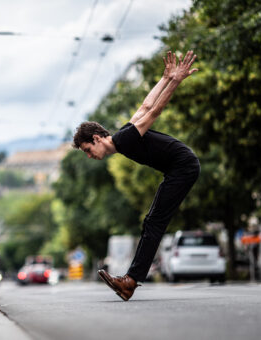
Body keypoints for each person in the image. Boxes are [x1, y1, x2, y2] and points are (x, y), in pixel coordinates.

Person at [73, 50, 200, 301]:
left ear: (97, 138)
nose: (90, 156)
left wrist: (175, 81)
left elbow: (154, 113)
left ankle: (130, 281)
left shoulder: (124, 139)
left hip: (183, 166)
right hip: (179, 167)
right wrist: (164, 78)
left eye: (88, 150)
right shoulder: (123, 138)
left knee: (153, 222)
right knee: (152, 221)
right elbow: (145, 105)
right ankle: (130, 279)